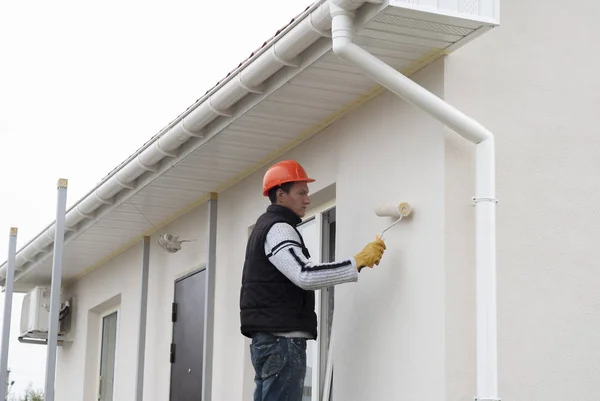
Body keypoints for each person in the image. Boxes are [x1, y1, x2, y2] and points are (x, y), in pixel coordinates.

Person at [239, 159, 387, 401]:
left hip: (270, 342)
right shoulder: (278, 228)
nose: (307, 199)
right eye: (301, 193)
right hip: (281, 343)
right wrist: (357, 261)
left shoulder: (266, 227)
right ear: (280, 194)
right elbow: (304, 275)